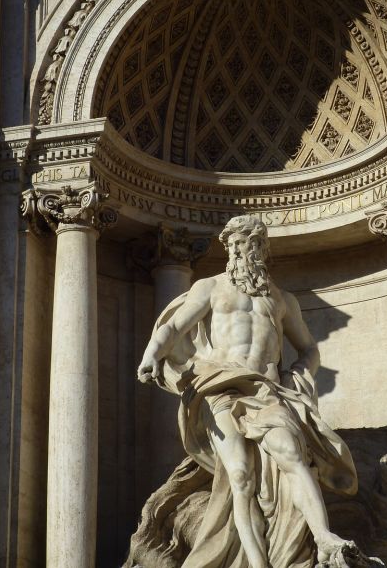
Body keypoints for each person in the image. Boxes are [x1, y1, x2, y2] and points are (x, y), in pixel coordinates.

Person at [138, 215, 358, 567]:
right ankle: (258, 564)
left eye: (247, 243)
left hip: (267, 390)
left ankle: (323, 537)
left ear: (261, 248)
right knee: (240, 475)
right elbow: (175, 327)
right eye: (234, 245)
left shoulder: (282, 300)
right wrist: (151, 355)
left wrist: (297, 376)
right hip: (219, 386)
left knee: (292, 455)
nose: (240, 251)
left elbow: (309, 349)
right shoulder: (210, 287)